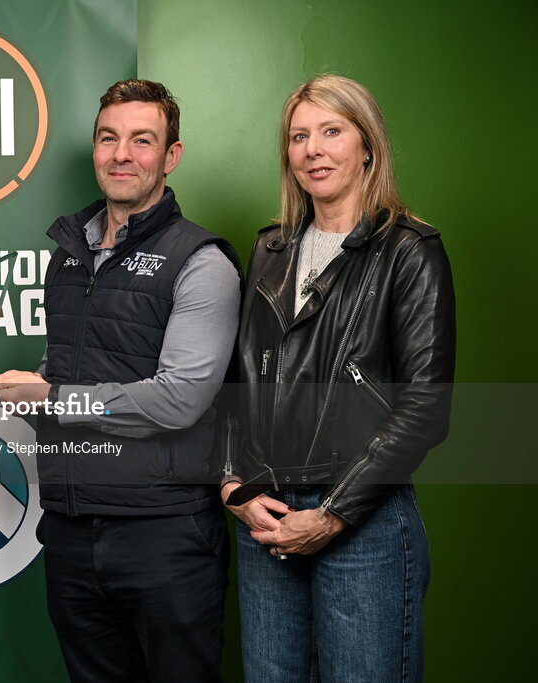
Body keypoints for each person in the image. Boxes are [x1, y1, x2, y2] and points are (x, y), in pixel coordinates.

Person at [0, 80, 242, 682]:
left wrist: (51, 397)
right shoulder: (67, 253)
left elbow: (180, 399)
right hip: (71, 529)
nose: (121, 154)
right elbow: (73, 370)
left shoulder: (200, 261)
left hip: (164, 533)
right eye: (109, 138)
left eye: (142, 140)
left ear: (170, 156)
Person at [220, 75, 455, 682]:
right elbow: (236, 383)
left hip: (362, 524)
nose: (313, 150)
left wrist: (330, 514)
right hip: (265, 520)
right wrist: (231, 486)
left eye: (331, 131)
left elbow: (425, 409)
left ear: (367, 145)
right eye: (299, 136)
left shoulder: (410, 250)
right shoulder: (269, 249)